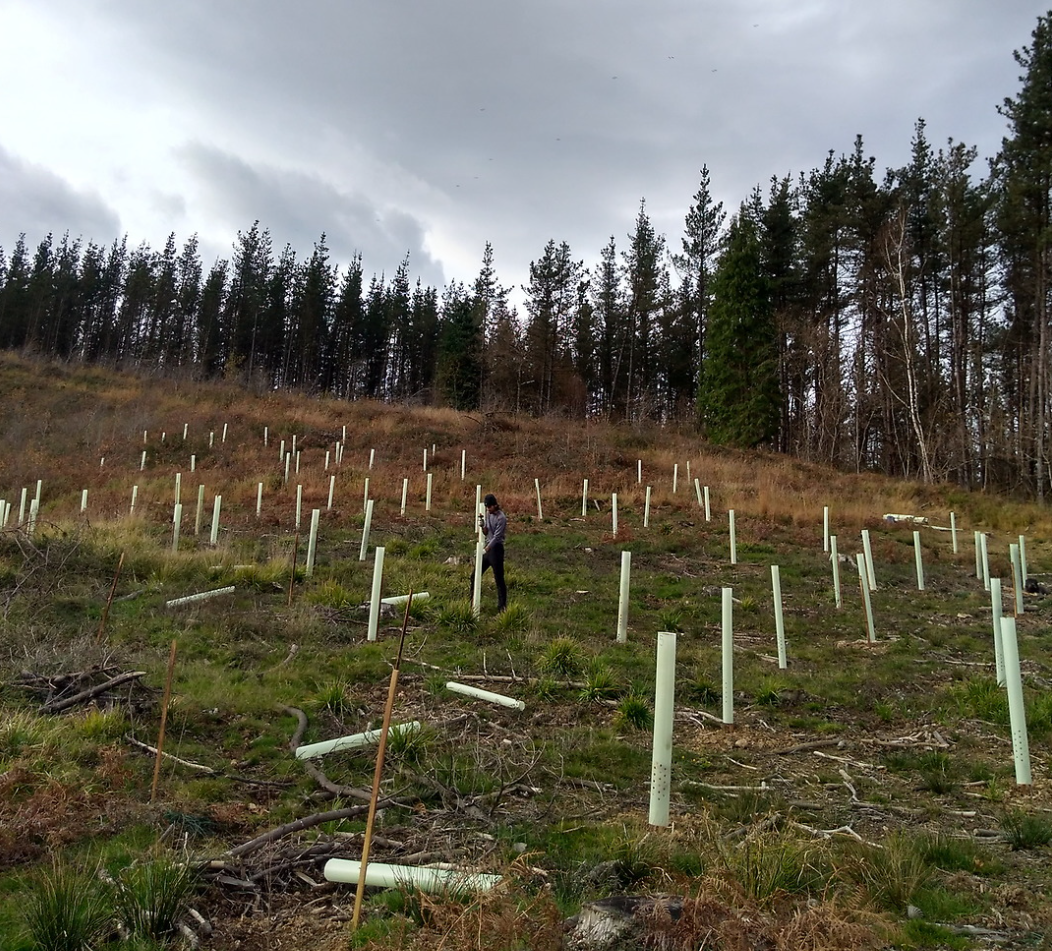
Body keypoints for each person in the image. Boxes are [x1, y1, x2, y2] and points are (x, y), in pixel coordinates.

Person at [473, 492, 507, 612]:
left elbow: (497, 537)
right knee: (475, 575)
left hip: (496, 550)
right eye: (487, 507)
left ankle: (502, 606)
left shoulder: (501, 518)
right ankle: (472, 600)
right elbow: (487, 532)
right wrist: (482, 526)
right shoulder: (488, 514)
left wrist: (486, 549)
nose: (488, 509)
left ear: (495, 505)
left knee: (499, 579)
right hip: (488, 549)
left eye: (489, 507)